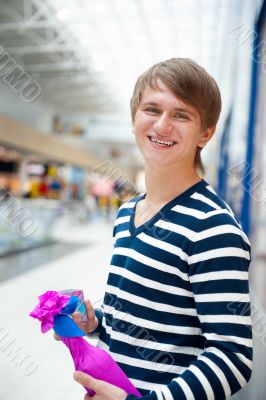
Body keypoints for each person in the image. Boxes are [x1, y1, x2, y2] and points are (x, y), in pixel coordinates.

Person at [68, 58, 253, 399]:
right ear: (134, 119)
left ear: (206, 133)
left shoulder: (213, 228)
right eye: (152, 109)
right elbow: (142, 314)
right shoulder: (127, 213)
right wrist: (95, 323)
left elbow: (233, 358)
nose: (163, 125)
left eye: (181, 115)